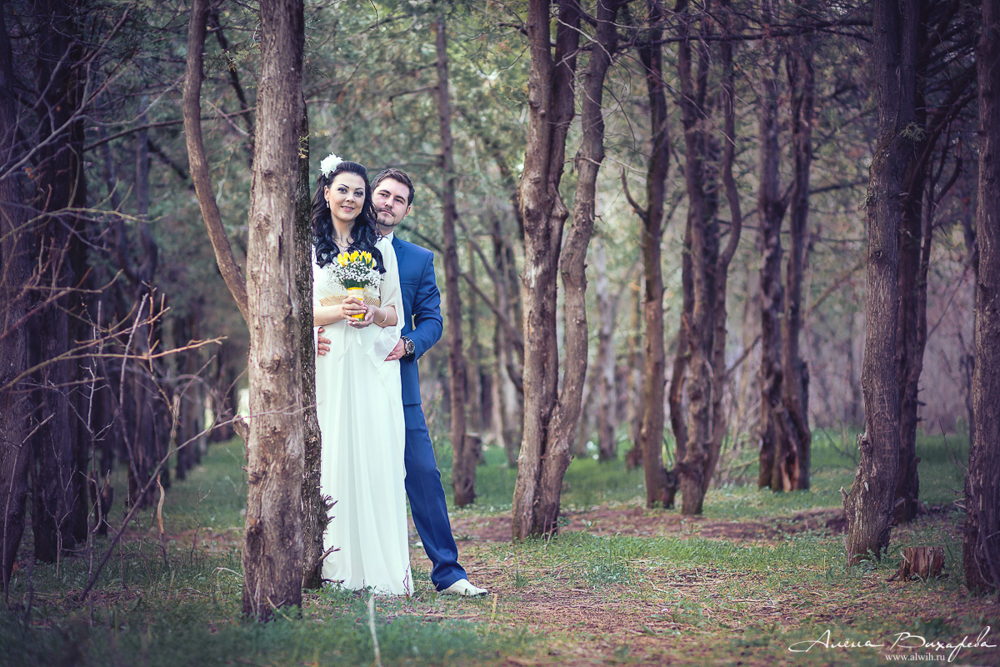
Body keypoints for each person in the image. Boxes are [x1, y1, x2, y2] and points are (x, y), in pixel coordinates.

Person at [318, 167, 487, 597]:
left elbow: (431, 320)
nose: (387, 204)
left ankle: (449, 573)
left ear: (407, 211)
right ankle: (332, 563)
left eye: (398, 200)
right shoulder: (327, 243)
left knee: (423, 473)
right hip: (339, 376)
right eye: (383, 194)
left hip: (395, 380)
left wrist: (408, 344)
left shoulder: (416, 258)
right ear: (369, 196)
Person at [311, 155, 411, 595]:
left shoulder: (379, 248)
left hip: (370, 364)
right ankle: (334, 565)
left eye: (358, 192)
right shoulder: (307, 246)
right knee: (333, 451)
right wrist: (338, 312)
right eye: (343, 190)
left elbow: (395, 313)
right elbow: (298, 308)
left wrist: (372, 313)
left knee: (374, 455)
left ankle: (378, 568)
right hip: (330, 361)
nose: (350, 198)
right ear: (327, 192)